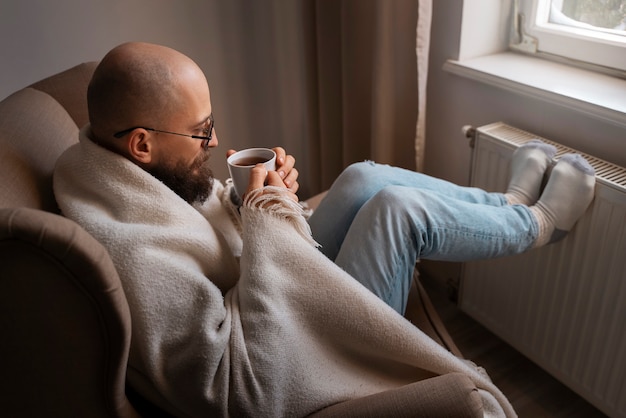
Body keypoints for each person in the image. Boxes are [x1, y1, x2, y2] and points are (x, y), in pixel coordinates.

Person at [53, 42, 595, 418]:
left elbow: (208, 229)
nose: (215, 143)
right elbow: (236, 392)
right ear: (142, 144)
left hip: (279, 303)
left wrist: (254, 201)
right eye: (201, 132)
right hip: (295, 354)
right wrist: (266, 216)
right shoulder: (131, 249)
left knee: (361, 178)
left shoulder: (117, 168)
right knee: (397, 211)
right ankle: (536, 223)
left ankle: (506, 203)